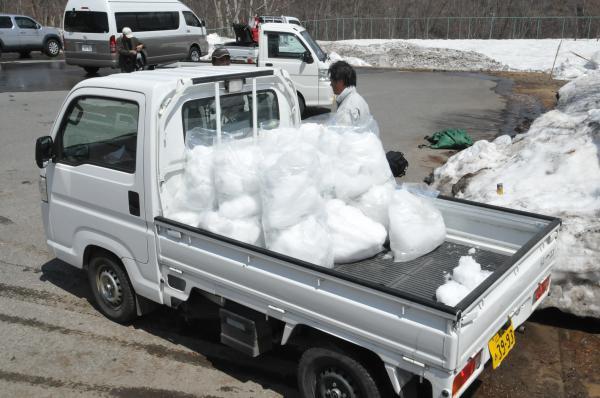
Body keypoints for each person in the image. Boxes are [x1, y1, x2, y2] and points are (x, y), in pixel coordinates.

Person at [328, 60, 371, 126]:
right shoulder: (360, 99)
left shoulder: (345, 110)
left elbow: (342, 135)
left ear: (340, 82)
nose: (331, 84)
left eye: (332, 81)